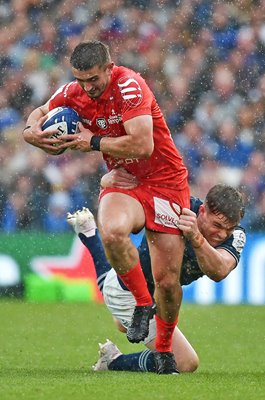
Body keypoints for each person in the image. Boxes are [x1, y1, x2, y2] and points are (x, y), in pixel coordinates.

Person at [22, 40, 190, 373]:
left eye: (94, 80)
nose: (87, 88)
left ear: (109, 68)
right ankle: (143, 304)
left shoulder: (129, 85)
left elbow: (143, 144)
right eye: (81, 80)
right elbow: (40, 113)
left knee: (167, 281)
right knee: (111, 230)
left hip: (166, 182)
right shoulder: (73, 91)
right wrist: (30, 133)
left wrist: (93, 142)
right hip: (124, 180)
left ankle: (165, 350)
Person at [67, 178, 246, 373]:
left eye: (229, 229)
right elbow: (137, 192)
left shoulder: (236, 235)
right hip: (130, 293)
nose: (222, 234)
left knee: (121, 324)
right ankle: (113, 361)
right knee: (185, 362)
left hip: (158, 300)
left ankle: (90, 235)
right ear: (202, 211)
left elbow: (219, 271)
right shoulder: (175, 207)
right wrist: (107, 181)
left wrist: (196, 237)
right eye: (217, 226)